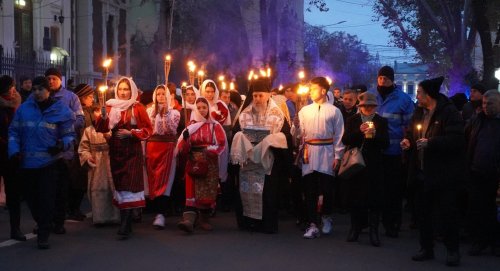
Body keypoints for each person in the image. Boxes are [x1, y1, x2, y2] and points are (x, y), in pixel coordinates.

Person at [401, 76, 464, 266]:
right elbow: (412, 131)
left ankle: (452, 251)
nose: (417, 96)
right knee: (423, 213)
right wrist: (408, 141)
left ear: (429, 95)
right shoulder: (419, 112)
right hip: (421, 172)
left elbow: (456, 140)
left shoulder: (448, 112)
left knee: (447, 213)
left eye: (419, 93)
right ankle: (426, 248)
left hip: (442, 173)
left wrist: (432, 143)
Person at [8, 76, 76, 249]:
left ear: (49, 90)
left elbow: (69, 134)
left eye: (41, 89)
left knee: (46, 199)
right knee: (31, 200)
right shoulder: (24, 109)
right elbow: (13, 132)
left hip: (49, 164)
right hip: (26, 163)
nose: (37, 92)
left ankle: (43, 234)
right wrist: (14, 151)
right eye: (35, 89)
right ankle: (42, 222)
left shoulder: (61, 110)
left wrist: (62, 145)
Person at [231, 77, 292, 234]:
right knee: (246, 190)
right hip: (248, 159)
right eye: (255, 95)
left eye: (261, 95)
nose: (257, 99)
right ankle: (249, 223)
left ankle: (267, 225)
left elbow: (287, 136)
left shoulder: (277, 114)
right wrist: (241, 137)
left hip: (268, 159)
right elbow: (236, 131)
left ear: (268, 95)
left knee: (267, 193)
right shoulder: (244, 114)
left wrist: (272, 139)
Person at [95, 77, 152, 239]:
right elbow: (101, 128)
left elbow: (148, 129)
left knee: (129, 184)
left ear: (132, 90)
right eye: (120, 89)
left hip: (132, 151)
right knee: (120, 184)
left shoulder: (137, 107)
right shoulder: (110, 105)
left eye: (126, 89)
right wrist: (103, 117)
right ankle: (126, 220)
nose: (123, 92)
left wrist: (131, 133)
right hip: (116, 151)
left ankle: (125, 224)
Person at [297, 77, 345, 238]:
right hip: (309, 152)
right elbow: (300, 134)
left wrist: (338, 155)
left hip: (327, 152)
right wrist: (295, 129)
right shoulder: (304, 111)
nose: (311, 91)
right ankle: (312, 224)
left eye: (314, 88)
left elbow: (339, 135)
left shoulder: (334, 111)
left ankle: (326, 217)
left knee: (327, 189)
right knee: (309, 190)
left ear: (323, 91)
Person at [342, 92, 389, 246]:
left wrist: (375, 135)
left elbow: (386, 144)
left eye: (370, 106)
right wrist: (359, 131)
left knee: (374, 199)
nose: (367, 108)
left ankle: (374, 232)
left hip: (374, 164)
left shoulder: (381, 121)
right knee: (355, 197)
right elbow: (346, 140)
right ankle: (355, 228)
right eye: (364, 106)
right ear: (360, 107)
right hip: (356, 164)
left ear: (375, 107)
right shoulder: (353, 120)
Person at [176, 97, 228, 233]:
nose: (202, 110)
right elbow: (182, 148)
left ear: (208, 108)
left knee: (206, 191)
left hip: (208, 163)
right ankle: (189, 220)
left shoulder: (215, 125)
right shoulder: (190, 126)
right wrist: (186, 139)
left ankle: (204, 219)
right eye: (198, 107)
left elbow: (222, 145)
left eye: (204, 107)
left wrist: (210, 151)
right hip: (193, 162)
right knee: (191, 190)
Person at [375, 65, 414, 238]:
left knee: (393, 191)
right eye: (380, 78)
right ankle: (376, 222)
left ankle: (393, 224)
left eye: (386, 79)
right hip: (374, 153)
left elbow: (410, 127)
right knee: (377, 190)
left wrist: (407, 146)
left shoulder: (403, 100)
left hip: (394, 153)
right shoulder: (371, 96)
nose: (383, 81)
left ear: (392, 80)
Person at [45, 67, 84, 234]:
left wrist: (64, 129)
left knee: (61, 188)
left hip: (64, 150)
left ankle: (59, 221)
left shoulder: (71, 97)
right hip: (46, 150)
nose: (51, 81)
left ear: (60, 79)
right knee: (47, 189)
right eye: (48, 78)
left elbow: (80, 119)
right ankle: (46, 220)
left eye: (54, 78)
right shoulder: (43, 97)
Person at [465, 89, 500, 256]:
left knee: (494, 209)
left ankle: (495, 241)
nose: (486, 107)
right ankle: (480, 241)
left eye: (490, 103)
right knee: (479, 208)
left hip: (495, 173)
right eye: (484, 103)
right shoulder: (478, 120)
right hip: (477, 171)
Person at [145, 85, 180, 229]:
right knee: (153, 179)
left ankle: (161, 214)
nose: (160, 96)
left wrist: (165, 115)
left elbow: (170, 130)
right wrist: (157, 114)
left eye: (163, 94)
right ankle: (155, 210)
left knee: (166, 180)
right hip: (152, 148)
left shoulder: (175, 113)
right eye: (158, 94)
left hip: (167, 149)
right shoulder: (148, 111)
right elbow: (148, 130)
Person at [78, 106, 120, 225]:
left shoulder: (112, 129)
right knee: (97, 189)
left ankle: (115, 216)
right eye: (96, 112)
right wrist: (87, 157)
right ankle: (99, 217)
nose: (99, 114)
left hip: (110, 160)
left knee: (113, 187)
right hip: (96, 163)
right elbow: (83, 148)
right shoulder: (88, 130)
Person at [67, 84, 95, 221]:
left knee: (82, 181)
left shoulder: (90, 111)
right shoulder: (78, 114)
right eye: (90, 97)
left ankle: (75, 208)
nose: (92, 99)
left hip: (86, 148)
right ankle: (72, 209)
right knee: (76, 181)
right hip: (78, 149)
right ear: (82, 98)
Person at [0, 75, 24, 241]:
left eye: (14, 86)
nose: (13, 89)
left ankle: (15, 229)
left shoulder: (19, 106)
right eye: (11, 87)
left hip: (13, 155)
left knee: (14, 193)